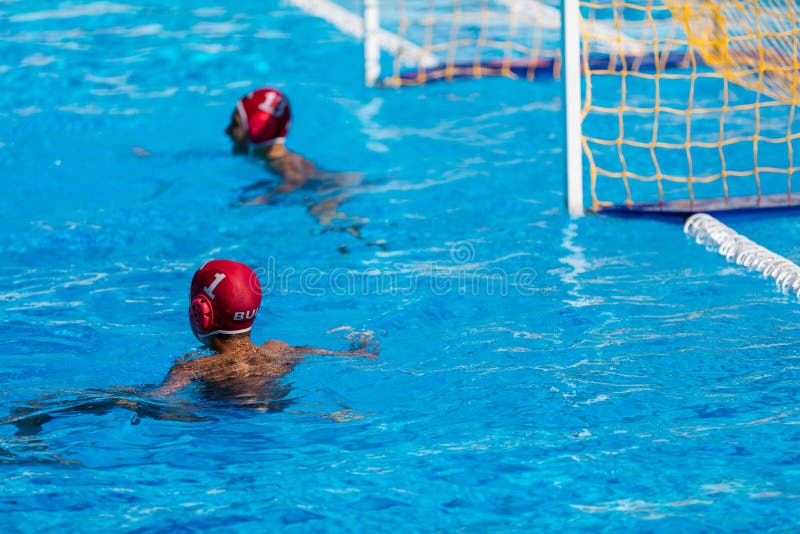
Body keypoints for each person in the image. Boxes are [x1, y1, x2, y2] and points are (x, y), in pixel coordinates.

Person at [151, 258, 378, 398]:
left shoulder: (193, 368)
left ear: (201, 313)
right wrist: (361, 349)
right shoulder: (279, 350)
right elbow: (335, 355)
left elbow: (156, 398)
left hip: (222, 422)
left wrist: (119, 396)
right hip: (279, 404)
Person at [226, 88, 368, 241]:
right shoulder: (277, 157)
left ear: (256, 127)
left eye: (235, 124)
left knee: (325, 216)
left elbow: (295, 181)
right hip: (329, 183)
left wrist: (264, 198)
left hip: (323, 188)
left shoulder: (281, 162)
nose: (227, 131)